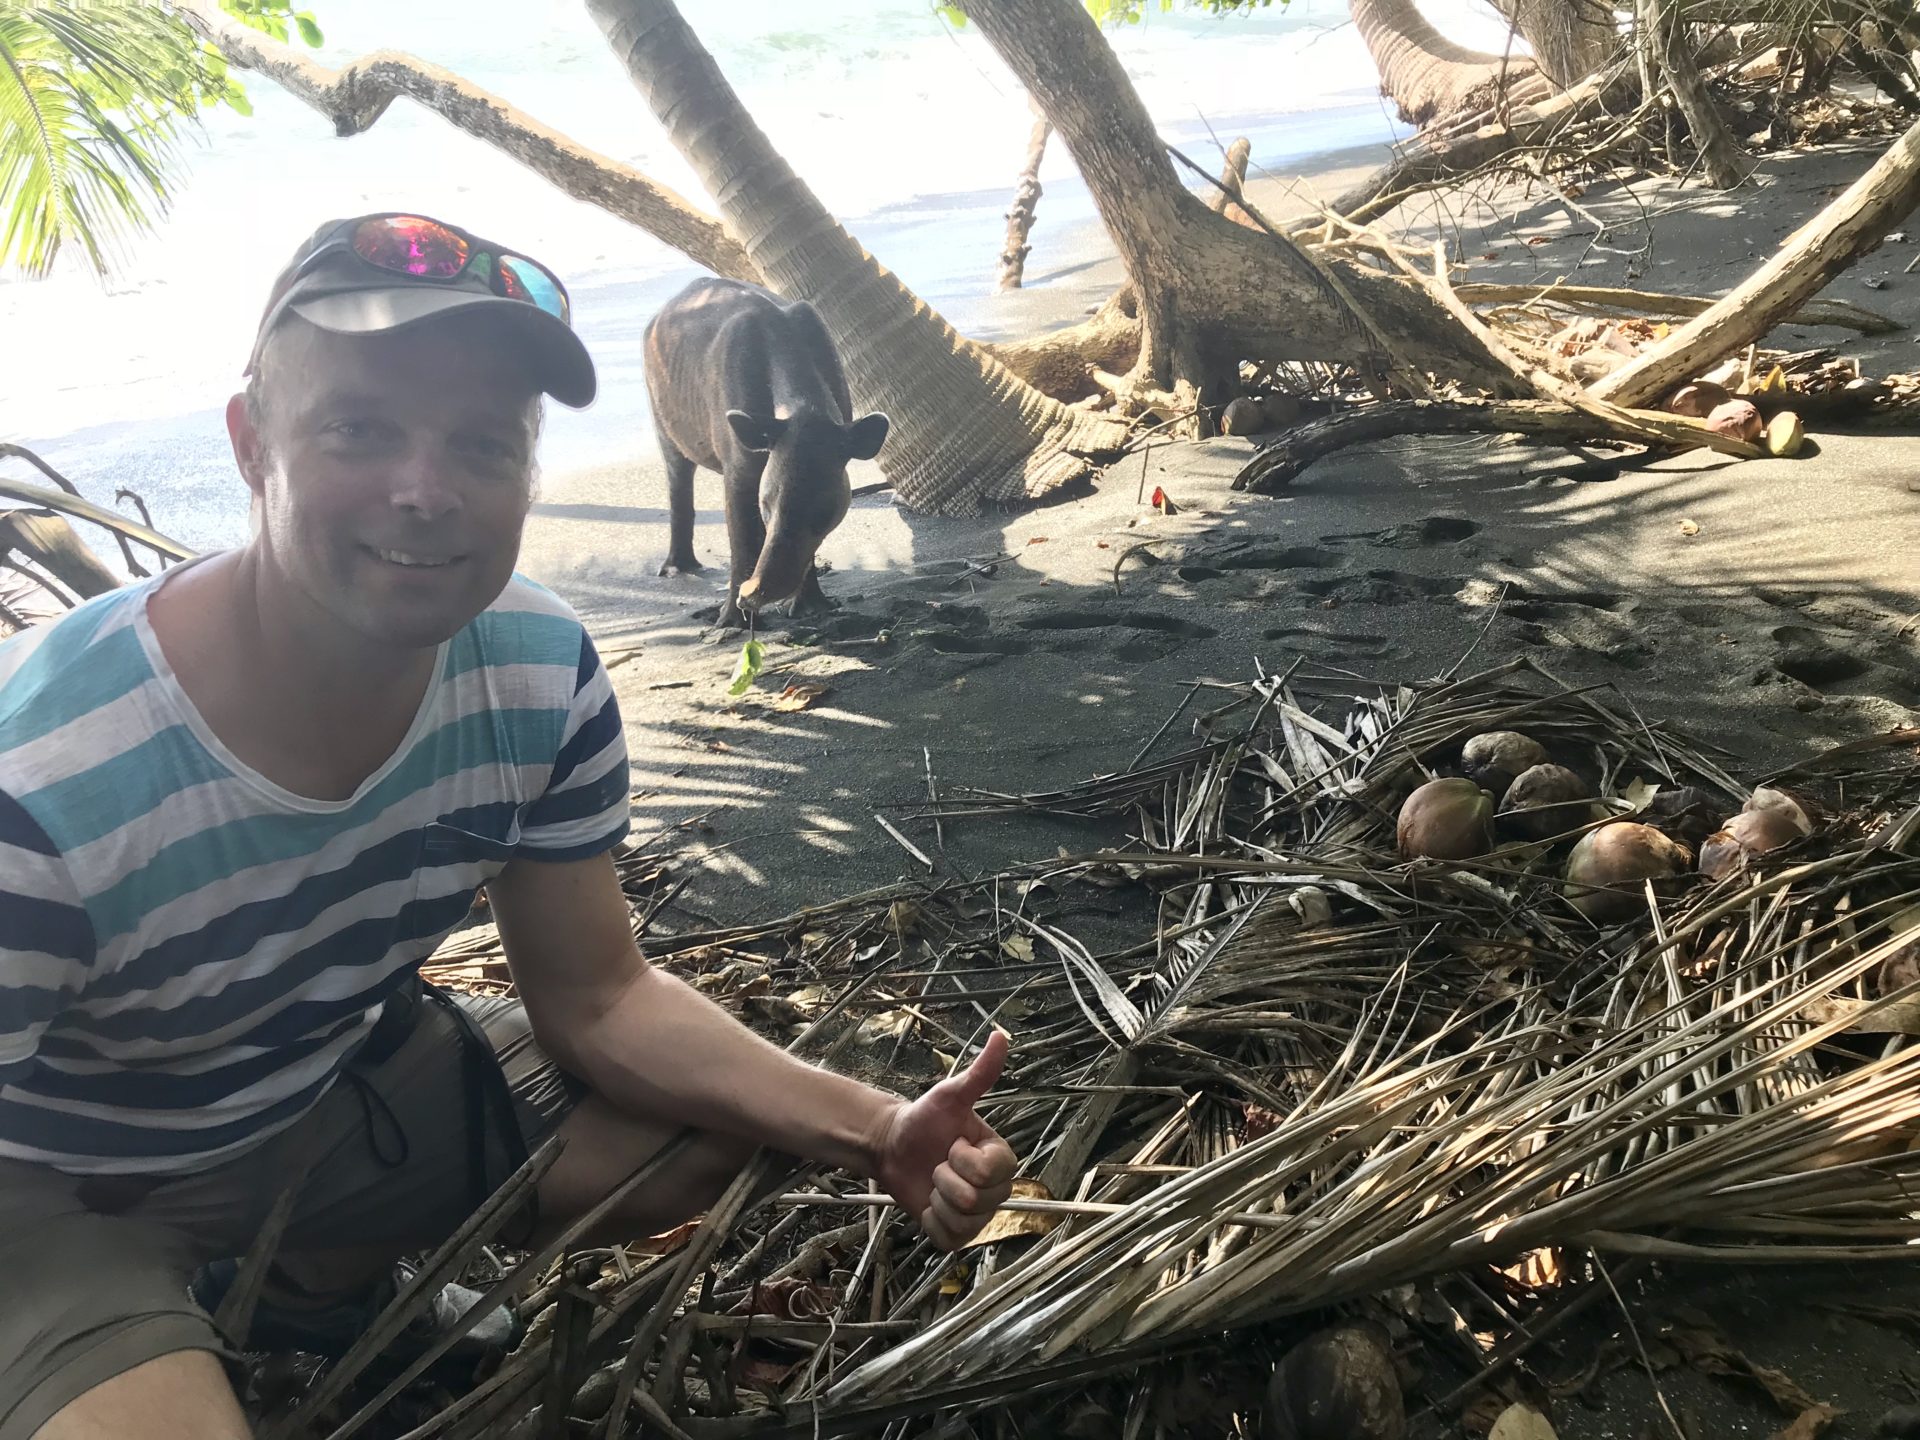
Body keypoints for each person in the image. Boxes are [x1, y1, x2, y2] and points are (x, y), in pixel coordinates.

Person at [0, 213, 1017, 1440]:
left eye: (481, 443)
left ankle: (297, 1285)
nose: (425, 492)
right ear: (250, 444)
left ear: (528, 475)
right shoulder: (47, 780)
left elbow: (598, 1000)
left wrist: (879, 1128)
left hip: (311, 1101)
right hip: (59, 1196)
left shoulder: (538, 672)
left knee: (716, 1133)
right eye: (359, 428)